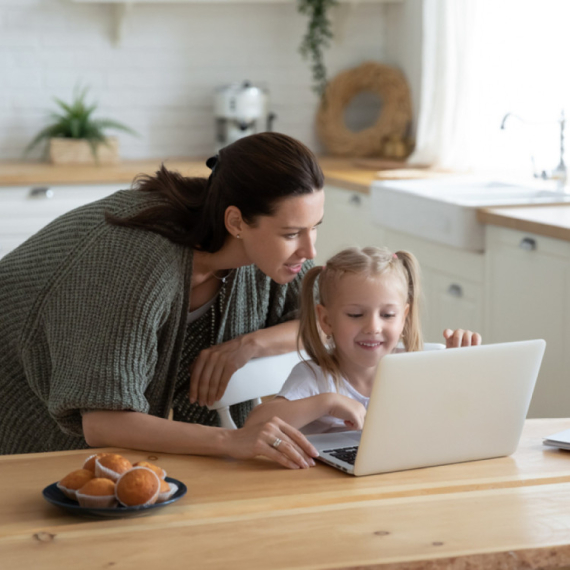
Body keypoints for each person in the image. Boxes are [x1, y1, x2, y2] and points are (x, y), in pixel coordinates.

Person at [0, 132, 323, 469]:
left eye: (314, 227)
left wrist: (251, 344)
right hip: (12, 386)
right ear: (235, 222)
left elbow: (327, 319)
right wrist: (232, 440)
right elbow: (103, 421)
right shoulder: (135, 262)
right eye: (291, 233)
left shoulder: (272, 254)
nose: (310, 249)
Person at [245, 246, 482, 434]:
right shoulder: (315, 377)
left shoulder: (417, 368)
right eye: (356, 315)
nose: (373, 327)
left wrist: (460, 369)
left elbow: (462, 421)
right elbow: (254, 425)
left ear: (404, 319)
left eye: (388, 315)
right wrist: (326, 403)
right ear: (326, 320)